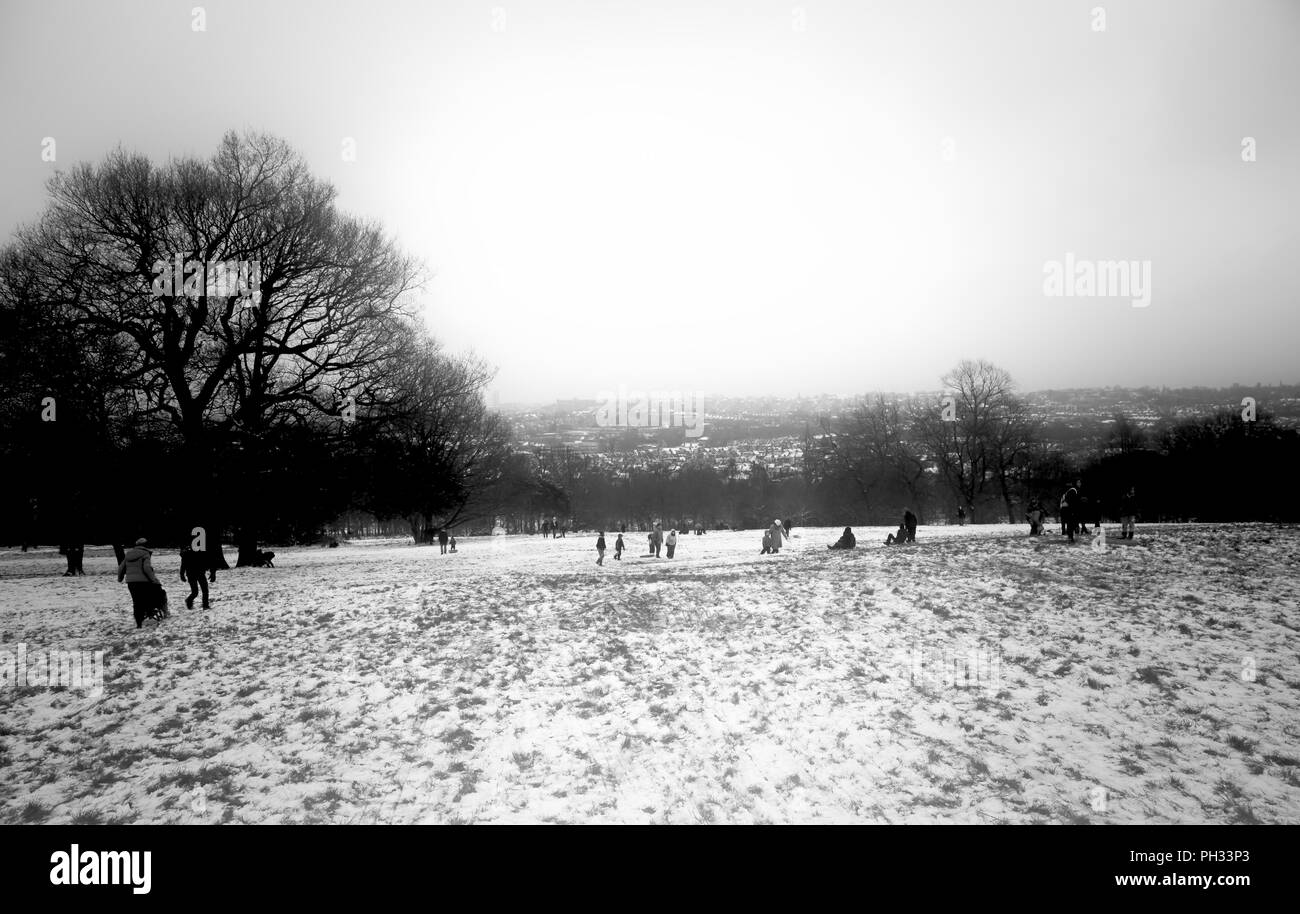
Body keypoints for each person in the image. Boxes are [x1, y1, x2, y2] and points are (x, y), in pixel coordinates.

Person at [118, 537, 164, 629]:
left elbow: (121, 567)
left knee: (136, 602)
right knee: (146, 599)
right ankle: (149, 616)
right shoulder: (145, 553)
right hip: (143, 582)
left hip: (131, 582)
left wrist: (120, 578)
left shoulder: (129, 554)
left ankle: (139, 622)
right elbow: (147, 568)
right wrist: (153, 580)